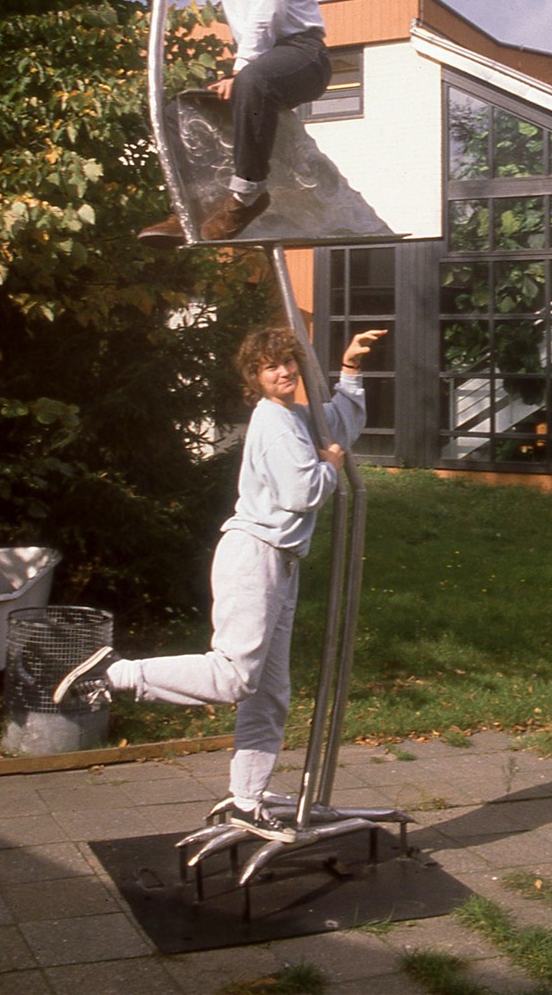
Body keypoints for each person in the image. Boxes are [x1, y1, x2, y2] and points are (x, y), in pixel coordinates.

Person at [53, 324, 388, 841]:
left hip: (280, 562)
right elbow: (304, 490)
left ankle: (246, 800)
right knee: (234, 677)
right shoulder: (274, 423)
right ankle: (114, 674)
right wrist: (329, 466)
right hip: (254, 558)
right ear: (254, 378)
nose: (285, 371)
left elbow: (338, 424)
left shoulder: (294, 417)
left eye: (288, 361)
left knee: (268, 693)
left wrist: (350, 369)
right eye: (271, 365)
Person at [139, 0, 332, 245]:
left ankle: (247, 194)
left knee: (254, 80)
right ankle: (194, 205)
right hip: (262, 62)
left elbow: (267, 13)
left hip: (303, 55)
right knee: (185, 104)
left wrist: (242, 71)